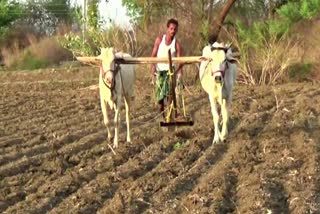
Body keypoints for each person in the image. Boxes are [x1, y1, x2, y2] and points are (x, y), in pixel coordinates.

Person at [151, 18, 183, 118]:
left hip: (170, 73)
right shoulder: (159, 40)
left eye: (175, 29)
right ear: (167, 29)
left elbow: (180, 60)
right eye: (171, 29)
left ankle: (169, 121)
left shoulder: (176, 44)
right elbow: (153, 56)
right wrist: (153, 68)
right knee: (160, 101)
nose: (173, 31)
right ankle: (162, 118)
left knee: (170, 98)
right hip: (160, 72)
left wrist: (179, 73)